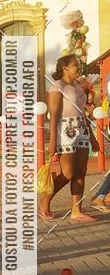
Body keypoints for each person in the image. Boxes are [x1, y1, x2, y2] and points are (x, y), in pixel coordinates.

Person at [39, 54, 99, 221]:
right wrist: (52, 142)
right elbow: (54, 114)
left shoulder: (78, 87)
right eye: (75, 65)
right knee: (68, 172)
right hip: (64, 130)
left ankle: (76, 210)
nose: (78, 68)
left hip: (81, 128)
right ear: (65, 68)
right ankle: (45, 200)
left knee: (81, 171)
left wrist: (92, 136)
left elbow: (83, 113)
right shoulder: (57, 87)